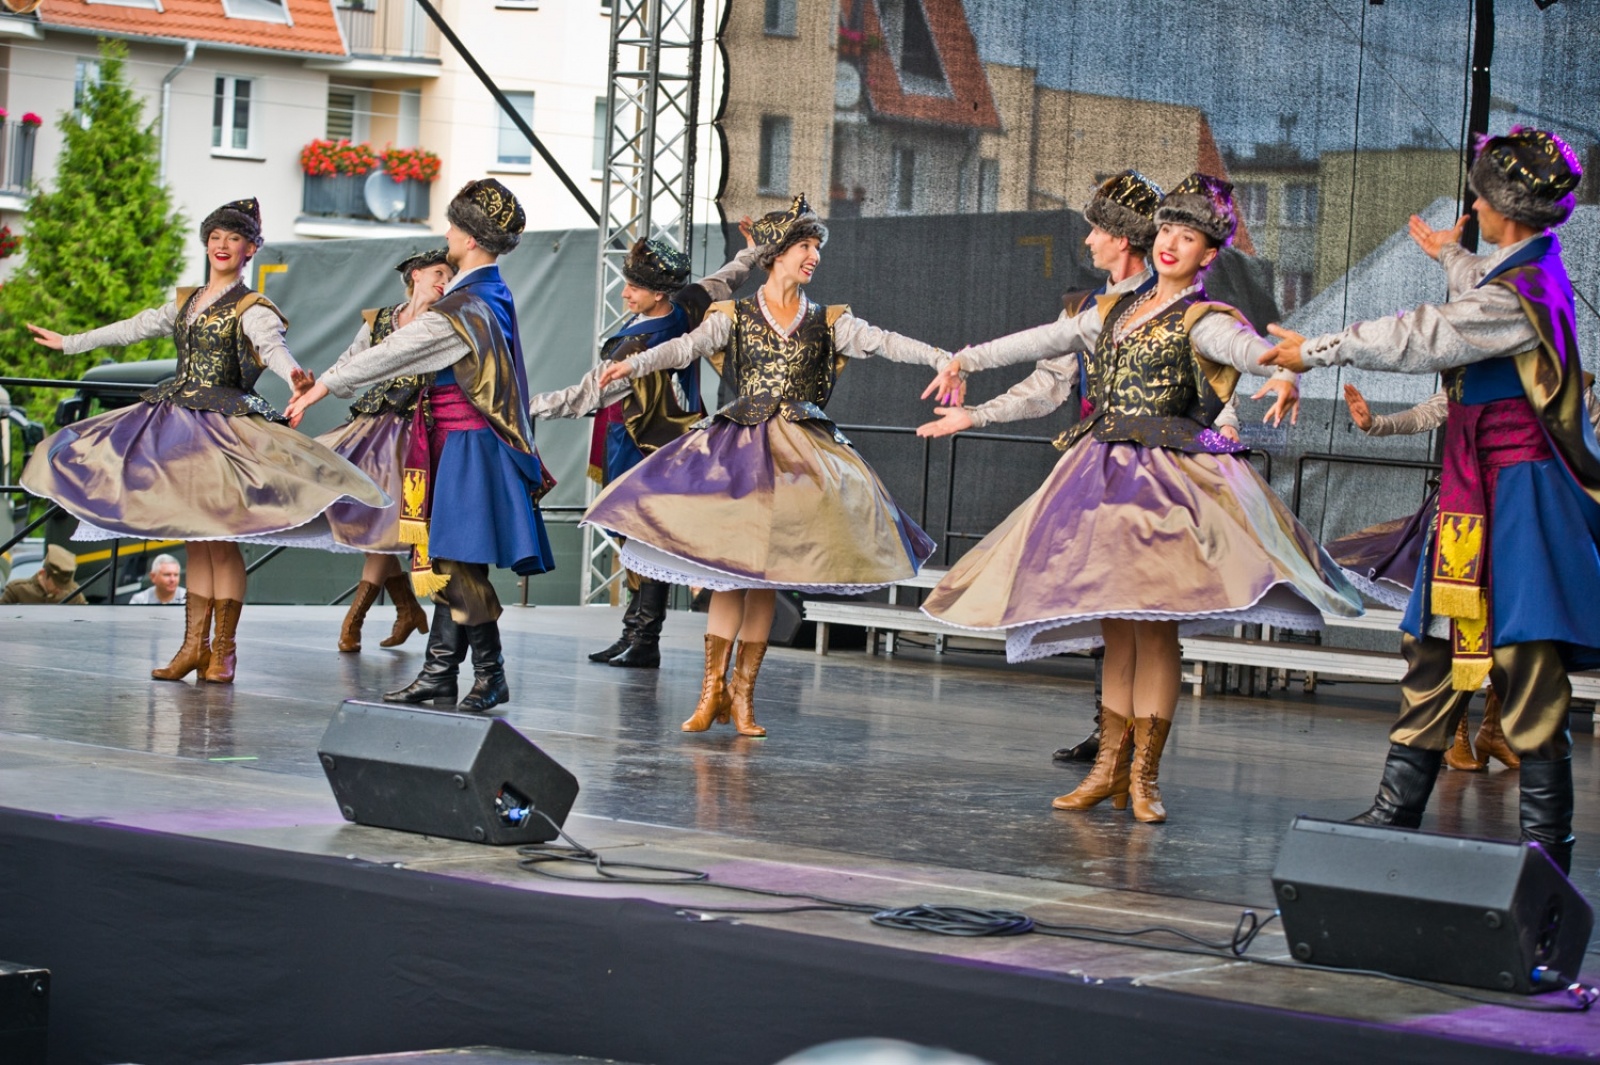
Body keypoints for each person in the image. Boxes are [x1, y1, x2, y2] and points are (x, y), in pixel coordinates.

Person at [919, 174, 1360, 823]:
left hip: (1165, 485)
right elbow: (1038, 341)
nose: (1173, 245)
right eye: (1168, 233)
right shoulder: (1111, 312)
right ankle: (1107, 769)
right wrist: (963, 362)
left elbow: (1251, 351)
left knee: (1154, 629)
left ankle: (1144, 776)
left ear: (1210, 254)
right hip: (1102, 477)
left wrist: (1288, 366)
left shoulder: (1205, 318)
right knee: (1118, 624)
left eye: (1190, 237)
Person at [1261, 128, 1596, 874]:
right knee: (1436, 642)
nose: (1472, 201)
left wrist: (1313, 350)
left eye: (1480, 194)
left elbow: (1430, 334)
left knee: (1524, 656)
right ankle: (1394, 811)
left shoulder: (1528, 291)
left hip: (1518, 495)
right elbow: (1474, 293)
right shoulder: (1517, 272)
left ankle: (1546, 853)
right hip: (1473, 493)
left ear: (1503, 206)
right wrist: (1449, 253)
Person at [583, 194, 945, 737]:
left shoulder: (828, 320)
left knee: (764, 581)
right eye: (804, 245)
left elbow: (884, 341)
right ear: (776, 254)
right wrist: (634, 363)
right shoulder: (734, 315)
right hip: (742, 454)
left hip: (800, 458)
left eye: (815, 247)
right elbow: (683, 349)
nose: (813, 256)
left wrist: (942, 357)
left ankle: (743, 698)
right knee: (731, 575)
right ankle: (711, 695)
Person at [20, 198, 389, 683]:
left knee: (221, 541)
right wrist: (71, 342)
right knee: (197, 541)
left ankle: (223, 652)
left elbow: (272, 348)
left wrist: (294, 376)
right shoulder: (185, 301)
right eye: (215, 237)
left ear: (249, 249)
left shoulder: (253, 307)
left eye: (233, 239)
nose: (222, 245)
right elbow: (134, 328)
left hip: (224, 427)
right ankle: (194, 647)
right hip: (177, 425)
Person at [287, 179, 553, 714]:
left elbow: (392, 354)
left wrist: (322, 387)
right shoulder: (485, 295)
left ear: (472, 240)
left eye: (455, 226)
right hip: (453, 444)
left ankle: (488, 674)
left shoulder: (468, 306)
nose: (448, 233)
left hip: (467, 447)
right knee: (450, 563)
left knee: (456, 566)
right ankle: (441, 674)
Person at [529, 230, 759, 668]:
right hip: (655, 436)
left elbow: (585, 397)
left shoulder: (641, 344)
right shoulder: (688, 303)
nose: (624, 292)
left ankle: (645, 637)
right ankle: (635, 631)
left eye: (634, 287)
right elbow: (728, 278)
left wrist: (529, 406)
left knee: (642, 534)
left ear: (658, 294)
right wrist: (753, 249)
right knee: (639, 536)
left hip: (637, 439)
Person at [314, 248, 455, 653]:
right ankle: (407, 609)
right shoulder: (379, 320)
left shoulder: (444, 324)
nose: (444, 280)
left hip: (414, 437)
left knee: (385, 524)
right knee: (371, 521)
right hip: (370, 428)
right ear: (415, 275)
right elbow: (350, 362)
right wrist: (315, 387)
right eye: (437, 272)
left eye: (450, 274)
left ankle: (354, 619)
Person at [0, 544, 88, 604]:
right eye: (56, 584)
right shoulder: (17, 590)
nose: (60, 589)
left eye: (64, 586)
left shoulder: (74, 595)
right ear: (43, 573)